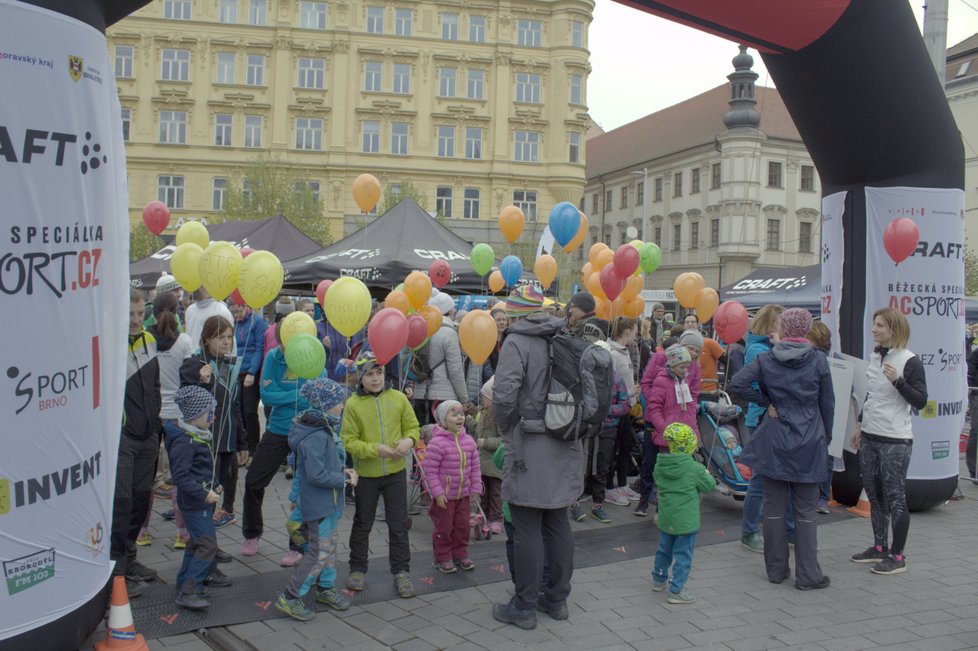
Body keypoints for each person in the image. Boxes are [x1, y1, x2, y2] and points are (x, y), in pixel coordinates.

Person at [491, 286, 582, 630]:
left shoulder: (517, 341)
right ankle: (557, 600)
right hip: (566, 442)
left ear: (516, 313)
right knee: (558, 522)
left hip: (530, 443)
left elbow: (504, 394)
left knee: (527, 524)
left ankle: (524, 605)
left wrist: (505, 427)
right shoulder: (562, 333)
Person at [729, 308, 834, 589]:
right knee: (805, 512)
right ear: (806, 329)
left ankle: (776, 571)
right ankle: (808, 575)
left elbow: (737, 383)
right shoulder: (819, 360)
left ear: (784, 329)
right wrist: (827, 435)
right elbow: (828, 404)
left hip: (775, 438)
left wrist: (766, 400)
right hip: (809, 438)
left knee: (773, 509)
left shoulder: (767, 358)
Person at [849, 308, 928, 575]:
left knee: (895, 498)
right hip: (871, 435)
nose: (874, 329)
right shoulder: (875, 357)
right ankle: (879, 548)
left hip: (896, 440)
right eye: (873, 324)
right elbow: (871, 395)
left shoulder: (910, 361)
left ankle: (898, 556)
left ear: (893, 329)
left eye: (879, 325)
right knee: (874, 495)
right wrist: (860, 424)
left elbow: (920, 400)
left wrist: (898, 381)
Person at [241, 325, 327, 559]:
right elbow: (268, 396)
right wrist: (300, 394)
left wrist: (287, 395)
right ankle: (251, 533)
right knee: (253, 481)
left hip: (308, 429)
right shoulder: (273, 357)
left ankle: (297, 545)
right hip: (278, 429)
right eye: (282, 343)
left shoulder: (314, 353)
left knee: (306, 489)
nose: (284, 349)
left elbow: (320, 394)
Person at [275, 378, 357, 621]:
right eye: (338, 403)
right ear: (326, 405)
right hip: (320, 505)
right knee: (318, 552)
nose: (342, 407)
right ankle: (290, 596)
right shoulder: (316, 435)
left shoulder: (325, 428)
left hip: (329, 503)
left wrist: (342, 474)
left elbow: (325, 468)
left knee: (329, 548)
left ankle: (325, 588)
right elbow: (316, 474)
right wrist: (343, 479)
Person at [342, 351, 421, 598]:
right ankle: (357, 568)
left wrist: (409, 440)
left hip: (396, 473)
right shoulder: (353, 405)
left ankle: (401, 571)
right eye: (369, 375)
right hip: (367, 475)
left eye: (379, 373)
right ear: (360, 377)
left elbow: (413, 427)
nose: (376, 379)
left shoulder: (398, 398)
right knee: (362, 523)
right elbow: (349, 442)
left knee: (398, 524)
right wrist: (375, 449)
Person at [114, 289, 163, 595]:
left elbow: (155, 385)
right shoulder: (109, 343)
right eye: (129, 314)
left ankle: (130, 558)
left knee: (142, 501)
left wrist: (157, 426)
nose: (134, 320)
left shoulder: (149, 340)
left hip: (148, 435)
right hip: (122, 437)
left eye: (139, 313)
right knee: (121, 505)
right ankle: (116, 571)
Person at [180, 316, 248, 530]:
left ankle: (208, 543)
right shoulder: (195, 364)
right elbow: (186, 400)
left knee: (215, 494)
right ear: (207, 339)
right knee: (205, 494)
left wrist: (242, 442)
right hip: (207, 442)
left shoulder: (230, 365)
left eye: (229, 337)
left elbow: (235, 406)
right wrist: (201, 381)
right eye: (220, 337)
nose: (227, 342)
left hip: (227, 441)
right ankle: (203, 544)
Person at [164, 386, 227, 610]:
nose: (213, 417)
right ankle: (189, 591)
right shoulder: (185, 441)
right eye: (210, 412)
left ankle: (184, 584)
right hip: (194, 503)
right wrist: (203, 493)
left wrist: (216, 484)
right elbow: (180, 476)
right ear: (195, 415)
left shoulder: (198, 435)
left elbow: (203, 468)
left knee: (194, 544)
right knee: (207, 546)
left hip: (202, 501)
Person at [141, 293, 193, 548]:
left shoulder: (145, 340)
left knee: (146, 477)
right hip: (177, 416)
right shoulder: (184, 342)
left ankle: (142, 532)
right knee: (179, 476)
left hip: (150, 416)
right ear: (177, 311)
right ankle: (181, 534)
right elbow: (190, 379)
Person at [735, 304, 786, 553]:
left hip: (771, 418)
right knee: (759, 479)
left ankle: (769, 527)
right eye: (780, 322)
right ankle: (749, 531)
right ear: (771, 324)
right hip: (762, 419)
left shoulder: (765, 347)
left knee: (771, 477)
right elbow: (754, 385)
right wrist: (767, 402)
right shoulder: (758, 349)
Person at [651, 423, 716, 604]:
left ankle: (658, 579)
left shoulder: (660, 465)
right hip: (686, 522)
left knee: (664, 549)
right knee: (683, 555)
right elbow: (710, 486)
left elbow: (658, 480)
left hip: (666, 517)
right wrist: (706, 473)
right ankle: (676, 590)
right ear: (689, 445)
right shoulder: (695, 469)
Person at [423, 400, 482, 573]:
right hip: (445, 497)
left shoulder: (469, 441)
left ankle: (460, 554)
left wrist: (476, 487)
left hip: (463, 495)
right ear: (443, 420)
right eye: (454, 414)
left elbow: (476, 467)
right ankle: (442, 557)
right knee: (444, 528)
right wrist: (437, 492)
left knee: (462, 526)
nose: (459, 417)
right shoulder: (437, 443)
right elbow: (431, 472)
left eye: (461, 414)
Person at [413, 292, 470, 422]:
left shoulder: (421, 329)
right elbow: (455, 370)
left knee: (424, 438)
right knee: (442, 439)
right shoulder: (449, 333)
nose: (455, 310)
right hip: (444, 397)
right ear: (447, 311)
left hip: (419, 393)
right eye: (452, 308)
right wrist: (464, 398)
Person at [603, 317, 641, 506]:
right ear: (627, 332)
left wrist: (632, 391)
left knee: (626, 446)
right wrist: (628, 393)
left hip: (627, 406)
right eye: (635, 331)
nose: (636, 335)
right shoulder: (612, 353)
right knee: (613, 449)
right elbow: (610, 384)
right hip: (616, 409)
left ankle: (622, 484)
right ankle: (609, 488)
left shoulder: (624, 351)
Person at [806, 321, 836, 513]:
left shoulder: (815, 361)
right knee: (827, 457)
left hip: (812, 417)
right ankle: (822, 498)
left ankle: (817, 498)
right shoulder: (832, 362)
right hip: (826, 418)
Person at [229, 302, 267, 456]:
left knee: (249, 411)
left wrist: (252, 372)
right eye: (233, 312)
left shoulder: (257, 322)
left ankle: (253, 449)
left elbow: (259, 348)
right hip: (234, 370)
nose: (236, 315)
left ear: (246, 307)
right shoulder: (231, 321)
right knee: (237, 410)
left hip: (250, 372)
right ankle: (241, 446)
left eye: (238, 311)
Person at [648, 345, 699, 451]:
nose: (685, 371)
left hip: (685, 437)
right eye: (682, 367)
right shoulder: (661, 382)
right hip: (669, 438)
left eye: (687, 367)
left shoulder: (685, 381)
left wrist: (694, 430)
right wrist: (665, 429)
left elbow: (689, 407)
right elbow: (654, 409)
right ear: (672, 365)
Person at [473, 378, 504, 533]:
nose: (483, 399)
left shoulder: (498, 416)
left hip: (494, 465)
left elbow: (503, 440)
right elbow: (477, 432)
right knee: (483, 491)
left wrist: (486, 442)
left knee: (496, 493)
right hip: (483, 463)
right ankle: (483, 514)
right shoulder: (482, 412)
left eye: (486, 397)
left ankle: (496, 518)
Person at [185, 286, 236, 358]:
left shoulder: (221, 310)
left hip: (212, 363)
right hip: (192, 361)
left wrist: (228, 366)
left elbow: (230, 343)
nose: (195, 286)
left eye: (200, 284)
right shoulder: (190, 309)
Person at [681, 317, 725, 393]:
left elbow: (728, 362)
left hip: (708, 391)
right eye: (687, 322)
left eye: (693, 321)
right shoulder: (679, 345)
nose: (690, 324)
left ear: (698, 325)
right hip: (686, 391)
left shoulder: (710, 343)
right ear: (683, 325)